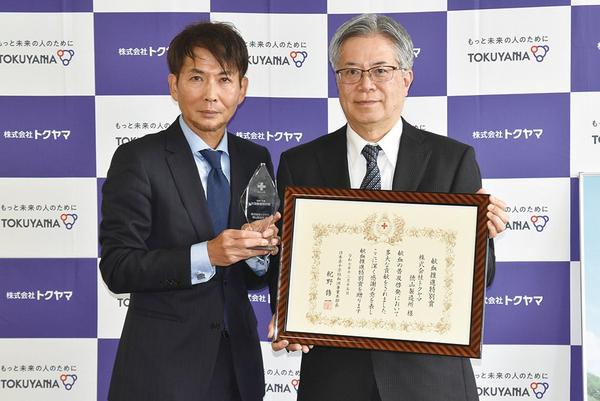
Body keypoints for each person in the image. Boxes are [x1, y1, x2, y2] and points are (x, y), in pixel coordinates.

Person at [269, 14, 508, 401]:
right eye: (351, 71)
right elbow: (285, 264)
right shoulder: (300, 164)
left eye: (381, 70)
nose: (366, 85)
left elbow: (482, 277)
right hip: (335, 380)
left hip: (430, 382)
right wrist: (286, 313)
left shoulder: (452, 160)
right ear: (337, 81)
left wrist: (480, 241)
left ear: (406, 79)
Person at [100, 21, 279, 401]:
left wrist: (259, 254)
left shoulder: (255, 157)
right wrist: (207, 255)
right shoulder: (139, 159)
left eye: (224, 79)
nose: (211, 94)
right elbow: (118, 267)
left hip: (239, 368)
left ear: (242, 89)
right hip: (162, 370)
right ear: (174, 85)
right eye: (197, 78)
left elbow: (250, 279)